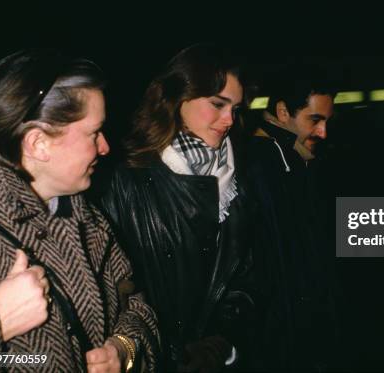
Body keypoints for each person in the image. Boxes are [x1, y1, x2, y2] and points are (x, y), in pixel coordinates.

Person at [0, 49, 160, 372]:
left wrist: (124, 350)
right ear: (38, 144)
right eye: (94, 133)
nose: (105, 147)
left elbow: (137, 307)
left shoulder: (90, 219)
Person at [100, 44, 255, 373]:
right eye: (217, 104)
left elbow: (245, 274)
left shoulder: (238, 179)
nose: (229, 119)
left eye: (235, 108)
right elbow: (118, 290)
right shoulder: (125, 178)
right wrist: (168, 353)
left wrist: (222, 343)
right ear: (178, 97)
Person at [247, 64, 339, 372]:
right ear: (283, 111)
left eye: (327, 121)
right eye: (314, 119)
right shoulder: (266, 164)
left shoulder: (296, 159)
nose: (323, 132)